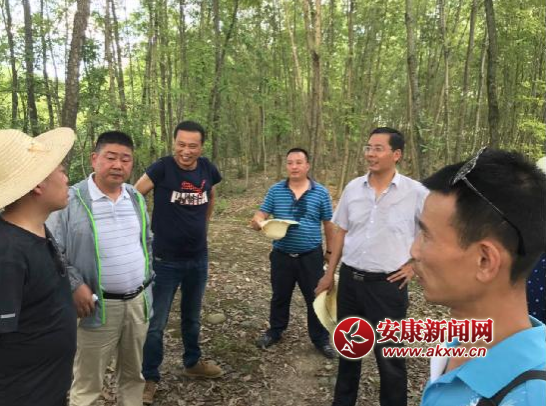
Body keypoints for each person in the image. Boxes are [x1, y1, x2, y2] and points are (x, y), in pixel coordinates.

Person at [412, 148, 546, 405]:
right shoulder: (456, 345)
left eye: (426, 236)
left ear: (485, 261)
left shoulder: (530, 397)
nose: (414, 250)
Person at [316, 127, 428, 406]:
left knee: (390, 357)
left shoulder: (416, 192)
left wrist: (415, 265)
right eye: (368, 147)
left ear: (396, 154)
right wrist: (329, 274)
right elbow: (340, 232)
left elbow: (434, 231)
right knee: (349, 352)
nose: (370, 154)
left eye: (378, 148)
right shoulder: (353, 188)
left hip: (388, 286)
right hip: (351, 283)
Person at [47, 131, 154, 406]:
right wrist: (74, 284)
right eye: (110, 157)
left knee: (133, 375)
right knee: (87, 383)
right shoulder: (70, 200)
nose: (118, 165)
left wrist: (148, 283)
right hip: (96, 306)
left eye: (125, 159)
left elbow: (147, 242)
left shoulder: (135, 197)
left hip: (137, 302)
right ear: (94, 159)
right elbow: (51, 249)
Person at [136, 120, 223, 405]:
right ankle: (149, 377)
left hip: (198, 257)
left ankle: (192, 362)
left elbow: (210, 195)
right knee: (156, 322)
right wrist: (141, 231)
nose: (186, 151)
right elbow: (135, 195)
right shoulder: (161, 168)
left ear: (201, 147)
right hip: (164, 260)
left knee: (192, 316)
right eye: (181, 144)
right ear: (174, 143)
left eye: (192, 146)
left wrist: (203, 225)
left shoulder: (207, 169)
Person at [0, 128, 76, 406]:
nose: (67, 178)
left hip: (50, 389)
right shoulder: (8, 253)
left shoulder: (39, 231)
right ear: (38, 185)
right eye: (61, 171)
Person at [251, 147, 336, 358]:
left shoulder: (320, 192)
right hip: (282, 255)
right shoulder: (276, 191)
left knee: (316, 297)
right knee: (280, 296)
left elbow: (328, 224)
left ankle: (320, 339)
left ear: (307, 165)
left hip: (311, 256)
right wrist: (258, 222)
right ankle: (275, 331)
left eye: (299, 162)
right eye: (290, 163)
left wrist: (330, 251)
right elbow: (260, 215)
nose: (294, 167)